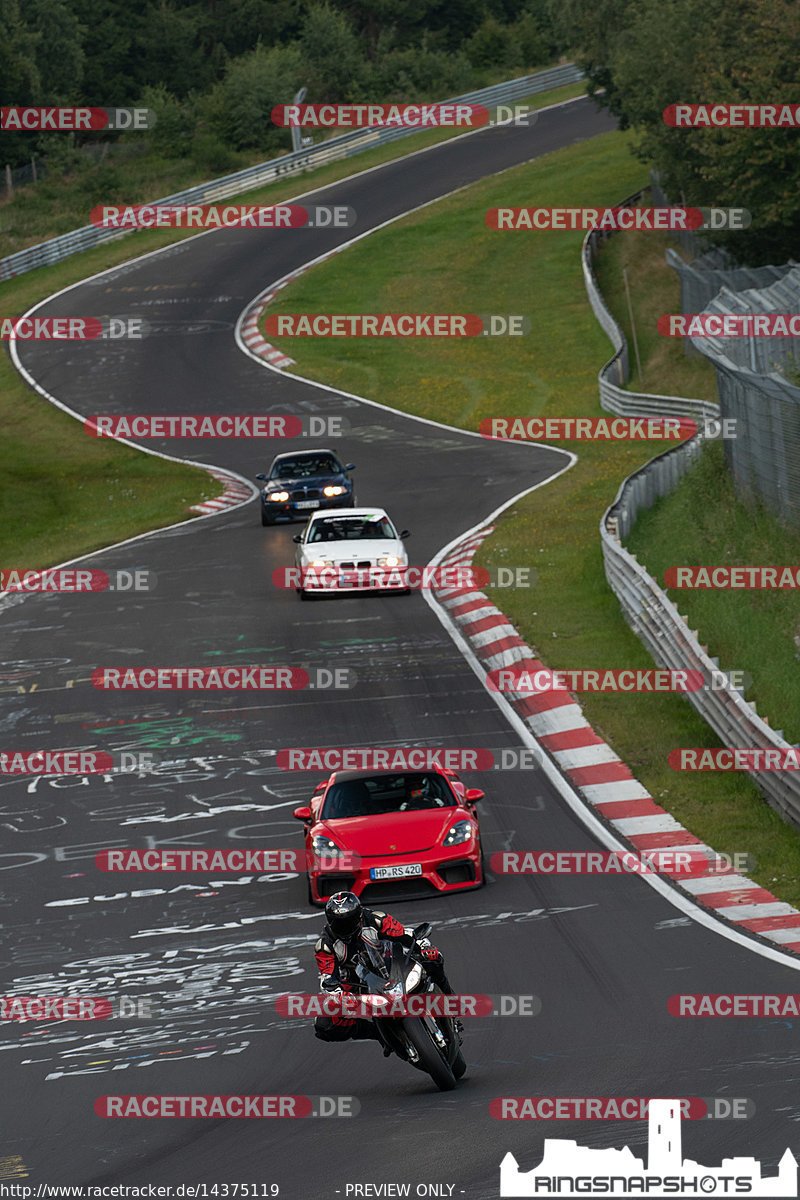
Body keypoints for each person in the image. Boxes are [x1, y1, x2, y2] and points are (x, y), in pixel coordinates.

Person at [313, 891, 455, 1049]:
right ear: (330, 922)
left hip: (393, 963)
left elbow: (405, 934)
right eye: (339, 923)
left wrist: (424, 946)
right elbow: (327, 980)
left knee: (434, 958)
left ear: (359, 916)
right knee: (324, 1024)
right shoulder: (325, 945)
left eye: (350, 921)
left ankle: (450, 1001)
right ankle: (379, 1034)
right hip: (359, 984)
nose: (345, 927)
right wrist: (341, 995)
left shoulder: (376, 919)